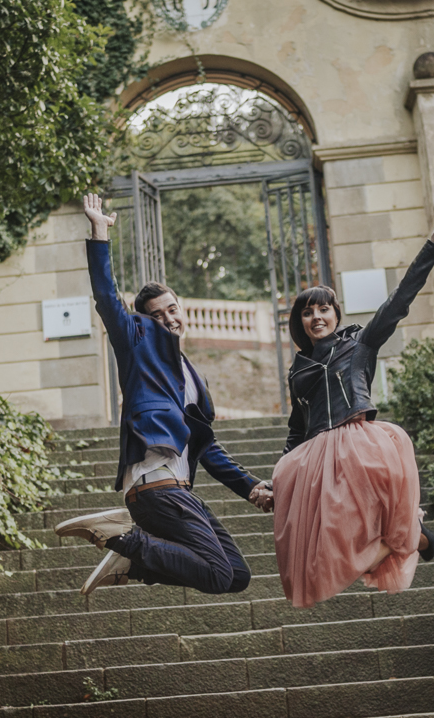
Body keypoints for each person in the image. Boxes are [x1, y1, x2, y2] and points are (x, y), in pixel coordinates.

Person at [55, 193, 272, 597]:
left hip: (179, 490)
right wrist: (100, 232)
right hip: (156, 486)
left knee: (237, 576)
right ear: (144, 322)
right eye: (157, 314)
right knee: (217, 573)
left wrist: (251, 487)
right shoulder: (138, 346)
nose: (168, 318)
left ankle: (135, 560)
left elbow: (207, 448)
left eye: (172, 309)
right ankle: (124, 539)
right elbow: (106, 298)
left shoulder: (190, 375)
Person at [255, 218, 434, 608]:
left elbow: (396, 305)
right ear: (300, 323)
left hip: (359, 441)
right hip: (317, 453)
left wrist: (431, 249)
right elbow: (297, 429)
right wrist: (278, 481)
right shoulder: (299, 369)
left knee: (378, 522)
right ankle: (421, 538)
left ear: (336, 314)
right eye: (308, 313)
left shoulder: (360, 344)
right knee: (334, 537)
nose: (317, 317)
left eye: (324, 309)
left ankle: (416, 537)